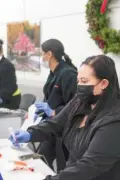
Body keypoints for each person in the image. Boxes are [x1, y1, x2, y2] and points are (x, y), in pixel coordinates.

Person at [9, 55, 120, 180]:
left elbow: (90, 166)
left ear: (103, 83)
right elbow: (56, 124)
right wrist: (30, 133)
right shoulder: (81, 101)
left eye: (84, 81)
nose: (79, 86)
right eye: (78, 81)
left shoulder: (118, 122)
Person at [35, 39, 77, 170]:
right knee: (40, 159)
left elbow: (77, 105)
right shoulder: (53, 72)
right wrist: (37, 111)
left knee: (62, 168)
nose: (41, 58)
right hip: (52, 125)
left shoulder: (68, 74)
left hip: (65, 130)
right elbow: (49, 97)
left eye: (42, 54)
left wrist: (55, 112)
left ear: (49, 54)